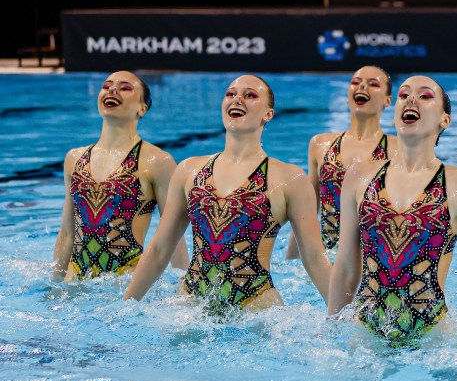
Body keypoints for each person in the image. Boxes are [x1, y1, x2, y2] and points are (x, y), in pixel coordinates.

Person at [328, 75, 457, 342]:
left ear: (444, 120)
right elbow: (345, 264)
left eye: (425, 96)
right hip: (366, 331)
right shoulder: (359, 176)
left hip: (432, 335)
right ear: (394, 117)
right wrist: (330, 328)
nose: (411, 99)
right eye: (404, 95)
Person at [124, 75, 330, 311]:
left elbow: (314, 257)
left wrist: (339, 316)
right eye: (231, 94)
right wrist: (125, 308)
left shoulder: (289, 178)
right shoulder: (189, 170)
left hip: (255, 307)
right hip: (191, 303)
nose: (237, 99)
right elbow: (160, 248)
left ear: (268, 114)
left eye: (250, 95)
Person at [52, 70, 188, 281]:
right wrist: (54, 286)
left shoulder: (157, 161)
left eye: (125, 88)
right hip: (74, 285)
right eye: (107, 86)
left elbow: (173, 237)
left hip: (121, 289)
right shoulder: (75, 158)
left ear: (142, 108)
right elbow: (67, 233)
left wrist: (182, 292)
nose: (112, 89)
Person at [286, 65, 395, 258]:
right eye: (356, 82)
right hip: (330, 254)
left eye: (373, 84)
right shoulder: (320, 144)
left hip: (375, 258)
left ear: (388, 101)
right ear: (347, 96)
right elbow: (307, 211)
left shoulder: (397, 148)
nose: (362, 87)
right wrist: (291, 261)